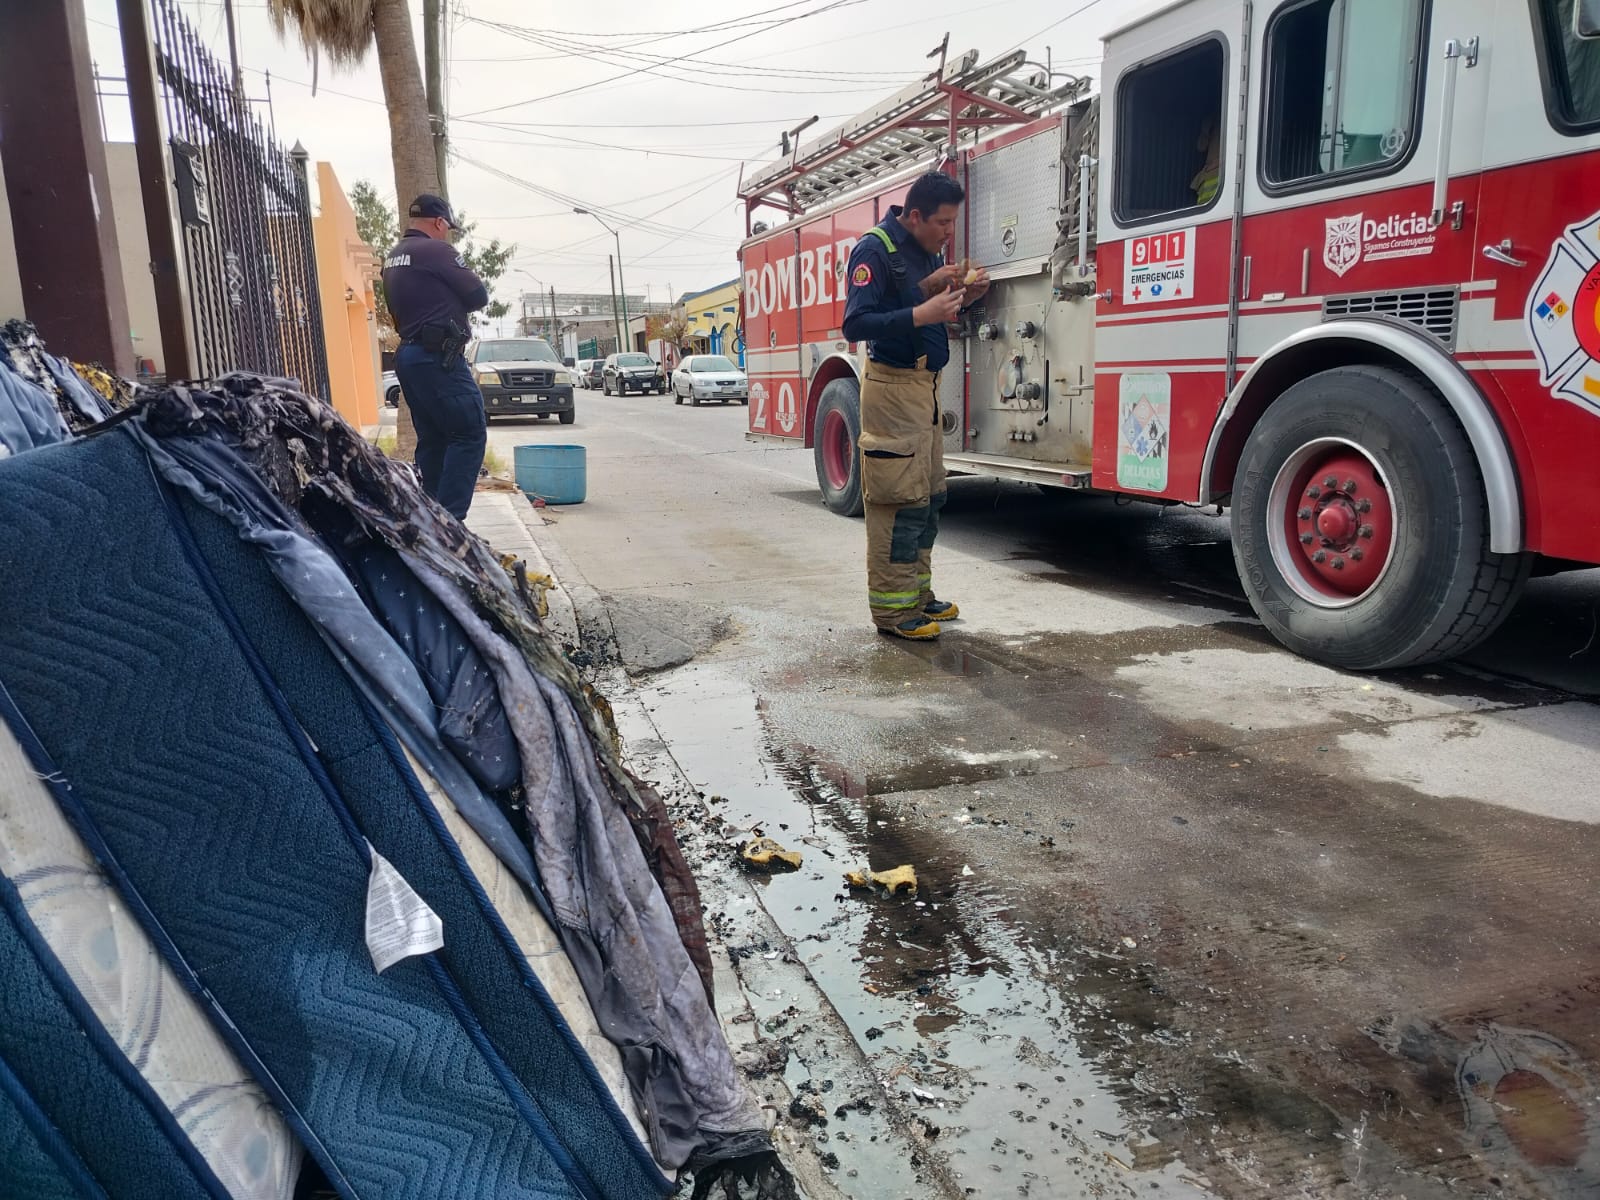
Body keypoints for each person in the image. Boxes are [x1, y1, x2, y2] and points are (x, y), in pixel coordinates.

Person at [841, 171, 989, 641]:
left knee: (929, 498)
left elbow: (932, 311)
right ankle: (892, 612)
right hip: (892, 389)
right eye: (943, 223)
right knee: (898, 502)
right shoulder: (874, 250)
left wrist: (964, 297)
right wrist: (920, 308)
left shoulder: (928, 251)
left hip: (924, 388)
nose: (949, 232)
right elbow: (856, 323)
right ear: (916, 215)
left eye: (952, 223)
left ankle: (918, 596)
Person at [381, 193, 489, 520]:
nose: (447, 233)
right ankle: (451, 526)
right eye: (447, 227)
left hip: (410, 357)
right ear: (439, 222)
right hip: (437, 357)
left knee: (434, 439)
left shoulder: (393, 256)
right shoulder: (435, 250)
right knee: (468, 432)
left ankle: (432, 523)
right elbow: (478, 295)